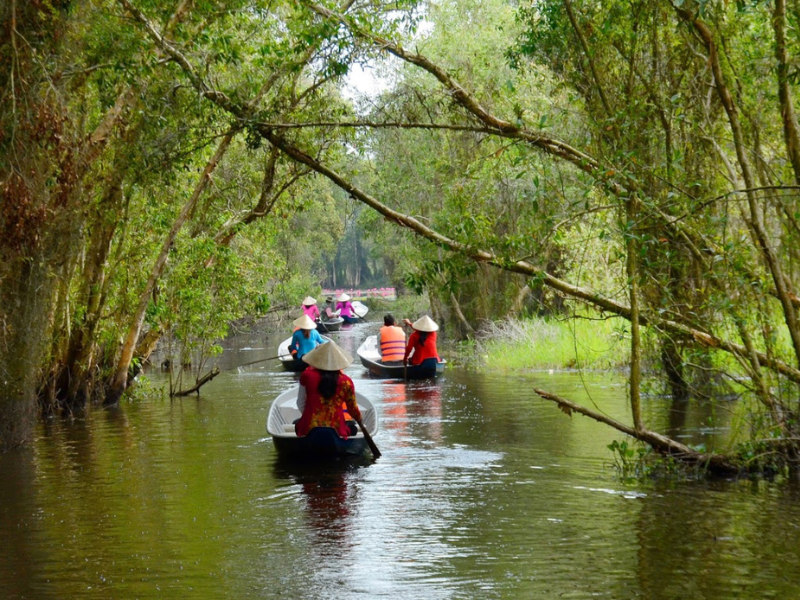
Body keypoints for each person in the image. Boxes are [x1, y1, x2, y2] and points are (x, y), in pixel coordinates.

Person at [295, 341, 362, 439]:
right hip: (337, 429)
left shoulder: (307, 376)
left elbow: (300, 403)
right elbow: (352, 409)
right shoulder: (346, 381)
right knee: (353, 429)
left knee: (297, 425)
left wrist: (308, 417)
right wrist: (359, 418)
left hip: (310, 427)